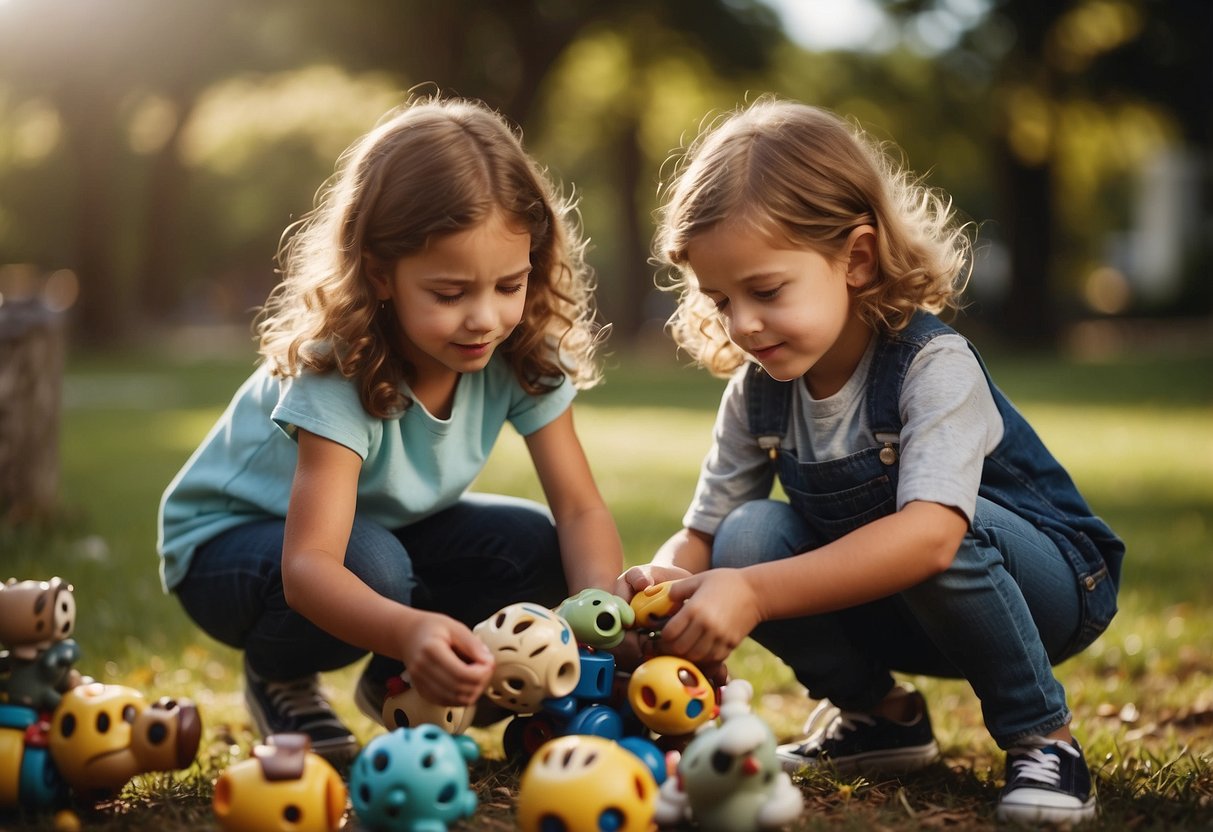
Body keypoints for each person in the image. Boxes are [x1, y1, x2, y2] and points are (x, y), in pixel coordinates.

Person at [621, 96, 1124, 826]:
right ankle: (881, 716)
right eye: (720, 299)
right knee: (747, 535)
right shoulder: (757, 392)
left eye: (764, 291)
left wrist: (753, 593)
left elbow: (929, 539)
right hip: (904, 608)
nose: (742, 324)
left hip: (1046, 593)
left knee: (933, 529)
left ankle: (1043, 738)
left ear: (854, 258)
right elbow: (707, 529)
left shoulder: (931, 365)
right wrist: (671, 583)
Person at [157, 94, 625, 762]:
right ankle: (280, 676)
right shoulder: (338, 367)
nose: (485, 319)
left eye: (507, 285)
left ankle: (396, 686)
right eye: (449, 293)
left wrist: (596, 622)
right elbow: (309, 567)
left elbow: (580, 509)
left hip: (379, 538)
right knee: (371, 565)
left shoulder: (521, 354)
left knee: (533, 548)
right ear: (379, 273)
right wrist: (409, 630)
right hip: (230, 554)